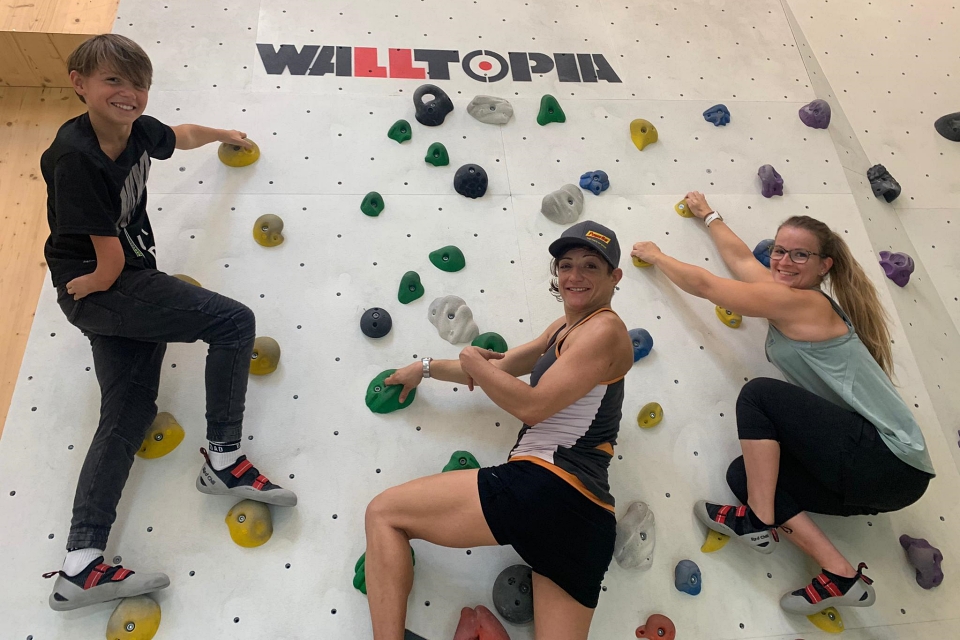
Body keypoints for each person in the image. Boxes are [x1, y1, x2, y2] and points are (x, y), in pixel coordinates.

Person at [40, 34, 297, 611]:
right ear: (79, 83)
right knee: (234, 323)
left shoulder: (133, 129)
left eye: (137, 85)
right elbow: (105, 262)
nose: (128, 95)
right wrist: (83, 290)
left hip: (119, 284)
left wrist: (222, 135)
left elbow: (177, 137)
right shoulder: (75, 158)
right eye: (112, 82)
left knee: (128, 413)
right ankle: (224, 459)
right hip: (106, 284)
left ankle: (80, 565)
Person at [630, 192, 935, 615]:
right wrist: (710, 215)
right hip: (879, 485)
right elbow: (741, 263)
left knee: (760, 396)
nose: (784, 261)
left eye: (800, 255)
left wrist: (657, 255)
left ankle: (757, 521)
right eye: (779, 251)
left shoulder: (805, 303)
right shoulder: (787, 297)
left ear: (824, 266)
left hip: (892, 460)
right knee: (749, 477)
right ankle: (840, 574)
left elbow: (708, 285)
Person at [363, 221, 634, 640]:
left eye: (591, 266)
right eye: (566, 265)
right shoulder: (564, 330)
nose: (574, 276)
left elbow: (531, 404)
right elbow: (500, 367)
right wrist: (427, 368)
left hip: (546, 484)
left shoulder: (605, 330)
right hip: (588, 524)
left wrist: (473, 363)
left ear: (614, 277)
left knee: (383, 514)